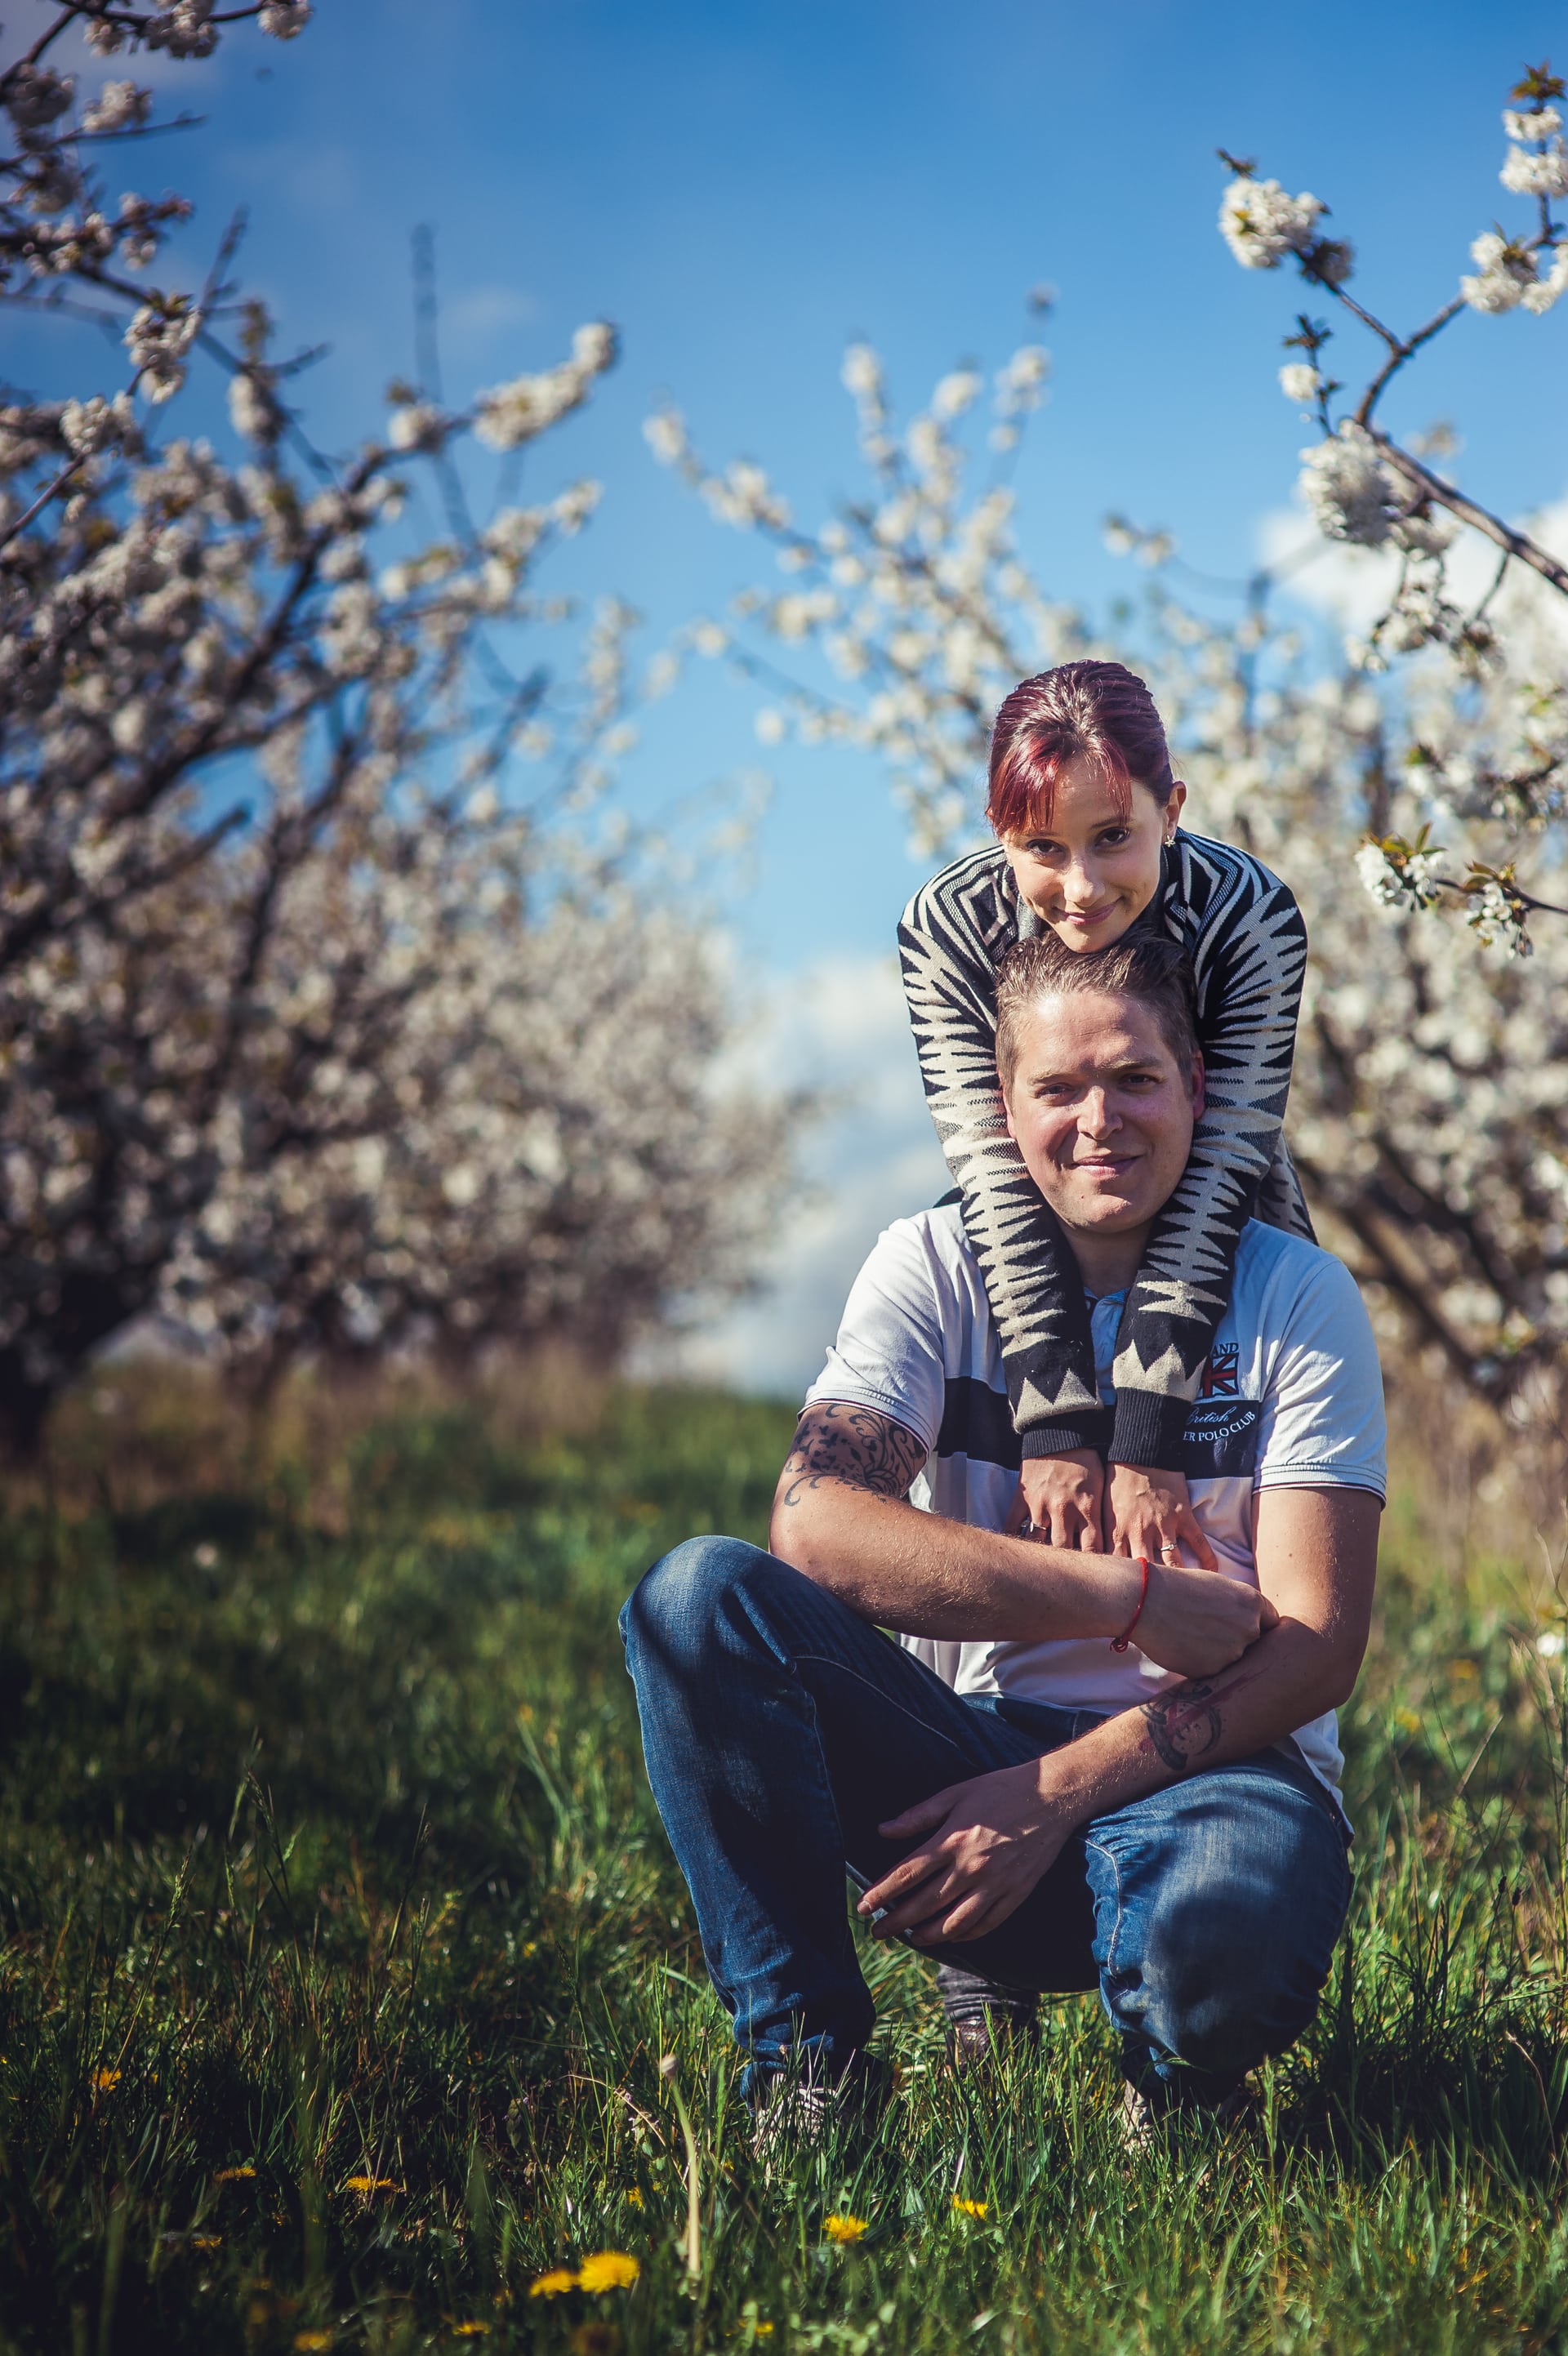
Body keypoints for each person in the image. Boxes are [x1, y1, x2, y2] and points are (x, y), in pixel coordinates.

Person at [621, 931, 1383, 2136]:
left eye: (1135, 1078)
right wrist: (1124, 1600)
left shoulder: (1295, 1294)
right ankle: (807, 2070)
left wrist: (1054, 1792)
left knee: (1219, 1950)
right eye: (1059, 1088)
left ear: (1197, 1083)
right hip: (966, 1767)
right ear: (1000, 1103)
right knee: (696, 1599)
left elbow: (1317, 1648)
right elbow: (813, 1529)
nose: (1102, 1120)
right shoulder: (929, 1264)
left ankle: (1180, 2088)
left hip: (1219, 1780)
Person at [898, 660, 1312, 1578]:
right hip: (1030, 1212)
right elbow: (996, 1170)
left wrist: (1147, 1433)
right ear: (999, 835)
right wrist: (1054, 1420)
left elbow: (1225, 1162)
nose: (1080, 886)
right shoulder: (946, 927)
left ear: (1174, 808)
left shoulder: (1251, 916)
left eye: (1114, 835)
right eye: (1041, 847)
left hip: (1216, 1193)